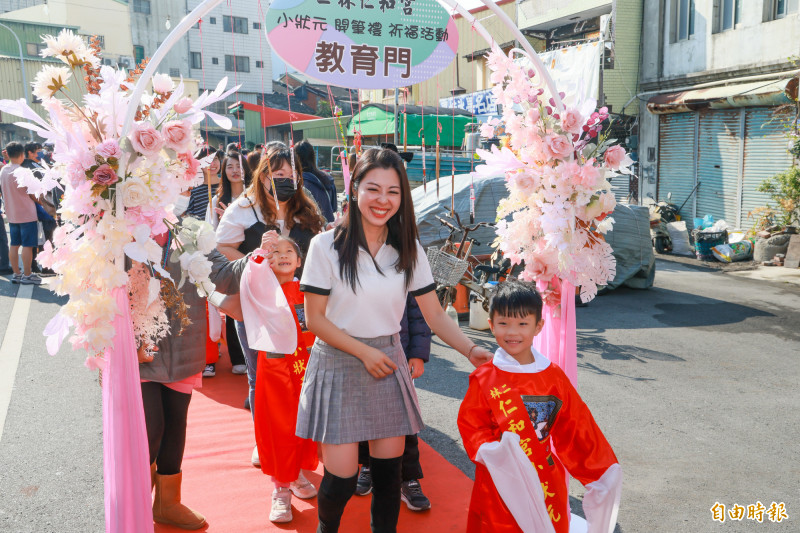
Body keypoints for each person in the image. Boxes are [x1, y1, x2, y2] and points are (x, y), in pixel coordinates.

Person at [296, 147, 493, 533]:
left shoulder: (408, 248)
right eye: (373, 189)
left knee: (389, 476)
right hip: (338, 361)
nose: (382, 200)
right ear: (354, 190)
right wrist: (363, 352)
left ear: (403, 196)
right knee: (342, 478)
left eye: (393, 191)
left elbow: (435, 314)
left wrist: (472, 349)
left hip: (387, 361)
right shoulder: (325, 246)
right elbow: (315, 320)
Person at [457, 280, 622, 533]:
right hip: (500, 482)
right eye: (504, 323)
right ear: (491, 325)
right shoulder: (485, 377)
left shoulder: (553, 376)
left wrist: (601, 471)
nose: (513, 332)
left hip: (545, 476)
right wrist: (496, 453)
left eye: (523, 324)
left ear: (538, 326)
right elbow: (472, 425)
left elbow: (576, 426)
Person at [215, 145, 324, 465]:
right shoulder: (244, 208)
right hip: (256, 303)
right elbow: (220, 248)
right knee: (259, 375)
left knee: (301, 371)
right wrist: (257, 267)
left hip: (300, 304)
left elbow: (320, 244)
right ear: (263, 176)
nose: (287, 180)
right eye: (279, 175)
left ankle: (302, 436)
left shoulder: (305, 206)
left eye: (292, 175)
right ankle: (263, 439)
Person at [246, 233, 319, 523]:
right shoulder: (263, 289)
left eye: (289, 251)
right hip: (276, 368)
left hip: (307, 364)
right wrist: (262, 252)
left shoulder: (308, 289)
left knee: (304, 422)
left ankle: (296, 470)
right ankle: (280, 489)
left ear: (300, 261)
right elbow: (251, 276)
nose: (283, 255)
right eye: (276, 253)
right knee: (279, 425)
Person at [355, 294, 432, 511]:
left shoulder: (404, 266)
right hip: (362, 357)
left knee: (405, 422)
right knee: (365, 416)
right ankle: (368, 465)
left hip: (400, 356)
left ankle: (408, 478)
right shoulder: (353, 264)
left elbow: (419, 315)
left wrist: (417, 354)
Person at [0, 142, 41, 285]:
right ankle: (28, 275)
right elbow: (33, 193)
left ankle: (17, 274)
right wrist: (41, 203)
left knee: (14, 244)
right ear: (22, 154)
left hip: (12, 214)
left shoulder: (3, 170)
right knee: (28, 245)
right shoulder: (23, 171)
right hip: (27, 213)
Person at [295, 139, 338, 223]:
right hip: (329, 227)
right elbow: (334, 207)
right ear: (313, 157)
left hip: (311, 229)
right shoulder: (327, 178)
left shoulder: (299, 183)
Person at [185, 147, 222, 221]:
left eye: (215, 158)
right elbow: (188, 217)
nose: (212, 163)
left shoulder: (227, 185)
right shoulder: (194, 190)